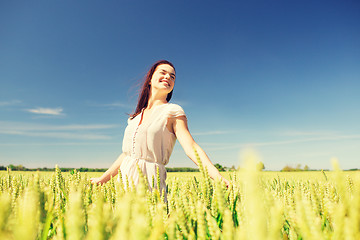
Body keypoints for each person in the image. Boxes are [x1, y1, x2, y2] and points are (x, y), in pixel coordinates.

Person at [90, 60, 230, 196]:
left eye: (172, 76)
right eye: (163, 72)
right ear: (150, 79)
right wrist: (102, 180)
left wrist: (217, 176)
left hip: (151, 183)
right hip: (124, 185)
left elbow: (191, 147)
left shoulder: (173, 111)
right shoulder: (134, 118)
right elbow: (127, 155)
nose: (168, 77)